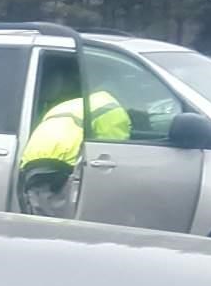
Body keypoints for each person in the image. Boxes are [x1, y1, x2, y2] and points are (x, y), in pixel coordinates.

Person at [18, 83, 130, 218]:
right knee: (60, 222)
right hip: (61, 160)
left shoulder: (74, 104)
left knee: (41, 215)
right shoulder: (113, 109)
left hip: (31, 159)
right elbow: (114, 148)